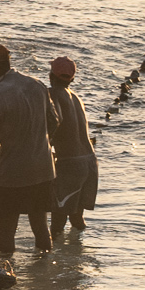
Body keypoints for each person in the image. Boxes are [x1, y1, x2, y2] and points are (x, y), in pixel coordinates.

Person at [0, 42, 59, 254]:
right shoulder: (36, 84)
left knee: (7, 231)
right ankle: (45, 268)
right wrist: (38, 143)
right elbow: (55, 122)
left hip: (13, 174)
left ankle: (6, 268)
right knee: (40, 226)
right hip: (43, 168)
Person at [48, 56, 97, 237]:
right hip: (90, 161)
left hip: (70, 164)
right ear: (72, 78)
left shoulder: (53, 94)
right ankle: (77, 250)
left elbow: (55, 122)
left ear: (51, 75)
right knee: (76, 217)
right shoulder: (77, 98)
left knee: (58, 220)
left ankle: (52, 254)